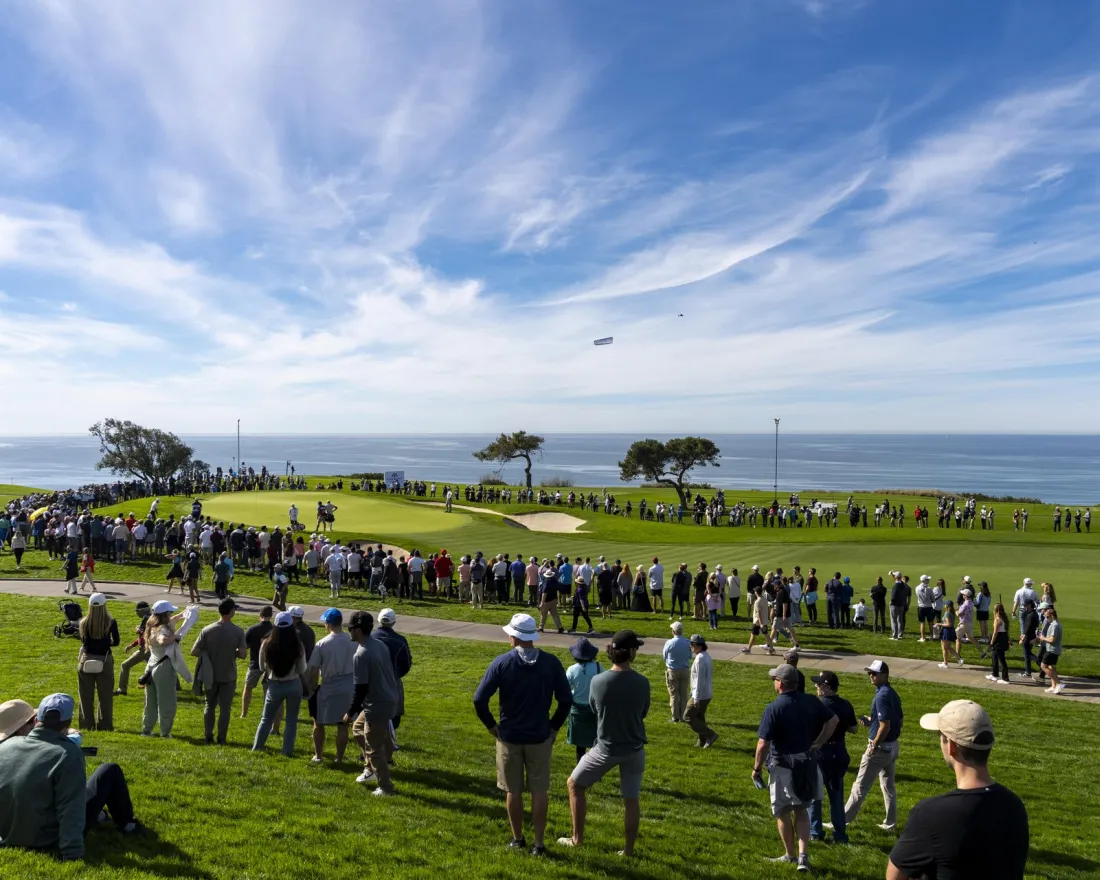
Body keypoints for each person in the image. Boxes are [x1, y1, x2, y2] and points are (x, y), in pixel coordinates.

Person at [887, 700, 1029, 879]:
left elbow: (894, 876)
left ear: (952, 746)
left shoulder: (930, 814)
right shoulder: (1015, 807)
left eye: (941, 736)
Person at [473, 613, 572, 856]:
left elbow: (479, 699)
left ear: (514, 636)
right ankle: (539, 844)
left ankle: (518, 838)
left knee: (513, 791)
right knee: (539, 791)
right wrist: (554, 726)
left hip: (510, 736)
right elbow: (566, 699)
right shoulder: (551, 663)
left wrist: (491, 726)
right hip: (540, 735)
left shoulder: (502, 663)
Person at [0, 694, 141, 862]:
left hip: (8, 832)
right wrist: (71, 852)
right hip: (47, 837)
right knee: (109, 770)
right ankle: (127, 825)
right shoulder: (67, 753)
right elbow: (70, 807)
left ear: (37, 720)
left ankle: (102, 817)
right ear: (67, 723)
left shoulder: (7, 746)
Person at [558, 629, 650, 858]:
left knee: (574, 784)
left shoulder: (598, 681)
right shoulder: (642, 682)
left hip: (605, 749)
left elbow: (593, 709)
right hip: (634, 749)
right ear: (630, 653)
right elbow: (643, 712)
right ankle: (628, 850)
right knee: (631, 800)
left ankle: (577, 838)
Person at [752, 664, 838, 873]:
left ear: (781, 683)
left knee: (782, 812)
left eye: (775, 679)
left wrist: (756, 769)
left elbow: (763, 744)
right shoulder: (811, 701)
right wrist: (818, 743)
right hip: (807, 763)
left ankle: (790, 856)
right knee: (801, 810)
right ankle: (803, 856)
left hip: (783, 767)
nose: (774, 682)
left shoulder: (774, 708)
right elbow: (833, 720)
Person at [345, 611, 400, 795]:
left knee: (374, 748)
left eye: (350, 628)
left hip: (377, 704)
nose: (349, 631)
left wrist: (350, 711)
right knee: (358, 729)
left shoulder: (361, 654)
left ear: (358, 630)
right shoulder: (380, 645)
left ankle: (385, 787)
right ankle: (371, 769)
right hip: (390, 698)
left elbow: (360, 688)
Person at [844, 659, 902, 831]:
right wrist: (872, 721)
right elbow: (897, 720)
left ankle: (841, 822)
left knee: (859, 787)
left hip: (880, 748)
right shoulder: (892, 693)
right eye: (869, 673)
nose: (871, 676)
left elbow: (886, 725)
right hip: (892, 746)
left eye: (874, 673)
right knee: (888, 786)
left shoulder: (882, 696)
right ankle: (890, 823)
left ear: (885, 675)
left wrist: (874, 745)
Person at [807, 671, 857, 844]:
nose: (816, 687)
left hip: (821, 753)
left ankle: (815, 831)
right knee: (836, 796)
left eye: (819, 684)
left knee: (815, 795)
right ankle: (840, 835)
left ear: (827, 686)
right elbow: (854, 729)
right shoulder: (845, 704)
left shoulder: (819, 706)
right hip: (838, 751)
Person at [189, 597, 247, 745]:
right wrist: (232, 651)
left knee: (209, 705)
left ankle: (208, 735)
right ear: (231, 611)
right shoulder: (238, 631)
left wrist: (207, 653)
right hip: (228, 675)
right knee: (225, 709)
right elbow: (243, 654)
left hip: (210, 675)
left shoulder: (207, 630)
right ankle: (222, 738)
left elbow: (194, 651)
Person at [251, 611, 307, 756]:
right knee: (291, 720)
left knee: (266, 718)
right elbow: (302, 669)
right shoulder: (297, 644)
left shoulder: (266, 643)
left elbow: (262, 667)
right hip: (293, 684)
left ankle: (257, 747)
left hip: (274, 684)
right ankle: (287, 751)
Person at [305, 608, 357, 765]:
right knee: (343, 724)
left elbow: (313, 669)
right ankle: (339, 757)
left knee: (319, 722)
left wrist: (312, 687)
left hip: (328, 686)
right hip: (348, 685)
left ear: (328, 624)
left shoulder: (322, 644)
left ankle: (319, 755)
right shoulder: (352, 641)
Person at [141, 600, 189, 738]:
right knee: (167, 701)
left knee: (150, 701)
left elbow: (173, 620)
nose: (172, 615)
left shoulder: (152, 625)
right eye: (170, 612)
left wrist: (182, 615)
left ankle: (147, 729)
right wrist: (175, 636)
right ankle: (165, 732)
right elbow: (163, 640)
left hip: (151, 666)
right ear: (165, 614)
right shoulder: (163, 629)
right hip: (164, 668)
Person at [76, 593, 119, 732]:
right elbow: (116, 642)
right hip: (105, 660)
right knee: (105, 695)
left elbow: (84, 642)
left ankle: (86, 725)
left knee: (85, 695)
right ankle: (105, 725)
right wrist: (106, 642)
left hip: (86, 660)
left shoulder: (83, 622)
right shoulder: (111, 622)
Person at [373, 608, 412, 749]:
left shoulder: (371, 638)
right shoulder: (400, 641)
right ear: (394, 622)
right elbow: (407, 664)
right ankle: (388, 742)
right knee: (394, 715)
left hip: (373, 681)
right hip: (393, 681)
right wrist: (396, 675)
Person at [564, 638, 602, 763]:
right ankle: (594, 768)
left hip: (577, 710)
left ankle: (579, 768)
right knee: (594, 741)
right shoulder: (598, 667)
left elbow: (565, 689)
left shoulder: (572, 669)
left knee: (580, 745)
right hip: (594, 709)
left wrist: (574, 693)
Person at [241, 605, 274, 720]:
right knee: (268, 690)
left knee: (248, 687)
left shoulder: (252, 629)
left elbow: (244, 646)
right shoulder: (275, 630)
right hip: (271, 665)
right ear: (271, 615)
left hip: (255, 663)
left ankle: (244, 713)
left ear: (260, 614)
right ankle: (266, 714)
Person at [685, 634, 716, 748]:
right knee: (699, 717)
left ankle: (710, 735)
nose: (690, 646)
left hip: (700, 695)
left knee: (687, 716)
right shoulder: (705, 656)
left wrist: (696, 697)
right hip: (705, 693)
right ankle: (702, 740)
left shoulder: (700, 659)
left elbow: (699, 680)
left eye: (691, 644)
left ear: (697, 645)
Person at [114, 602, 151, 696]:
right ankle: (176, 686)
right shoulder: (152, 617)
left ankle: (122, 689)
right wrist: (132, 645)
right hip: (150, 648)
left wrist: (138, 629)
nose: (136, 613)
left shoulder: (146, 618)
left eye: (137, 611)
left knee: (125, 665)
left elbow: (141, 633)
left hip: (145, 649)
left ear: (142, 611)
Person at [662, 621, 692, 723]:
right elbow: (689, 656)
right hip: (685, 670)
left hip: (673, 671)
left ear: (673, 631)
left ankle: (675, 717)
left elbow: (664, 656)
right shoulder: (687, 642)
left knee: (674, 694)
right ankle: (683, 715)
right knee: (684, 694)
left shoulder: (669, 643)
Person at [741, 587, 777, 655]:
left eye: (755, 591)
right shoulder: (764, 599)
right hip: (764, 620)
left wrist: (760, 624)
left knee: (753, 635)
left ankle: (748, 649)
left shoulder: (757, 602)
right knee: (766, 635)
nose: (754, 592)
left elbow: (758, 613)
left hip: (757, 622)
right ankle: (771, 648)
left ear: (756, 592)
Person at [1037, 606, 1064, 694]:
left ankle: (1059, 684)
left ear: (1052, 616)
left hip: (1052, 650)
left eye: (1047, 617)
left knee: (1043, 666)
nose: (1047, 619)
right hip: (1054, 649)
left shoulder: (1055, 625)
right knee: (1051, 667)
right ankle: (1054, 686)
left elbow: (1052, 640)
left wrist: (1043, 638)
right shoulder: (1055, 624)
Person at [986, 603, 1010, 685]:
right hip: (1003, 639)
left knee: (1001, 660)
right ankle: (995, 674)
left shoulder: (997, 620)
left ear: (996, 610)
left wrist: (991, 643)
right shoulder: (1004, 618)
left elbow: (995, 633)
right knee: (994, 656)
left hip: (999, 640)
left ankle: (1005, 678)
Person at [1017, 599, 1040, 680]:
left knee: (1027, 655)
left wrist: (1023, 637)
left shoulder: (1031, 615)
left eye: (1026, 605)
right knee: (1028, 653)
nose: (1024, 607)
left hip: (1029, 637)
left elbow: (1028, 628)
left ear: (1030, 605)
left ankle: (1029, 671)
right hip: (1031, 636)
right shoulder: (1033, 614)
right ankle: (1030, 670)